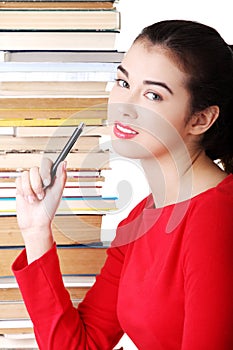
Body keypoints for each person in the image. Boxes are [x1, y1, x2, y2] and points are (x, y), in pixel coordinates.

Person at [12, 20, 233, 349]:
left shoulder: (217, 217)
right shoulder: (140, 221)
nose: (124, 105)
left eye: (153, 94)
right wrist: (36, 230)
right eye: (122, 81)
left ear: (200, 119)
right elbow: (82, 345)